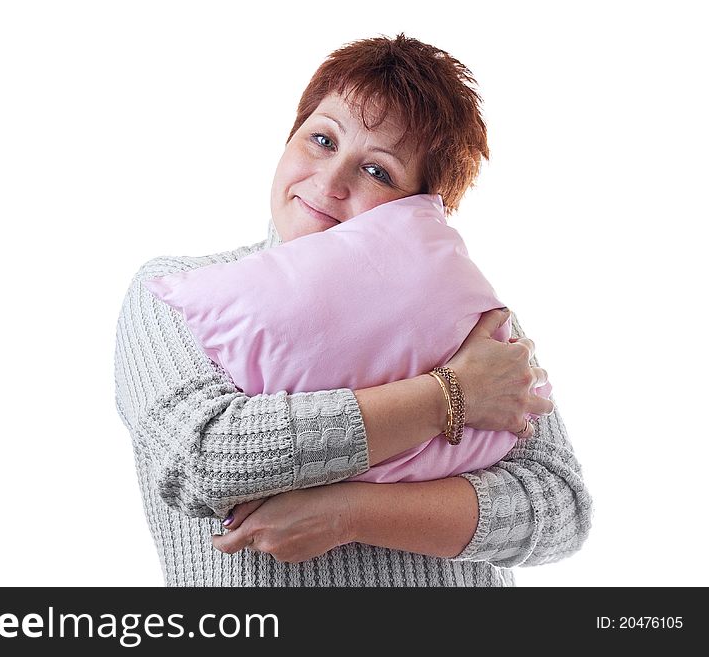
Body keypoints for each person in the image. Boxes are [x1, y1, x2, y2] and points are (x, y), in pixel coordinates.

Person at [114, 33, 592, 586]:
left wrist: (349, 513)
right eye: (321, 140)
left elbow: (559, 508)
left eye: (378, 171)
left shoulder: (467, 318)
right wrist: (448, 395)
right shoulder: (177, 292)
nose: (331, 181)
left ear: (419, 211)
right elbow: (205, 457)